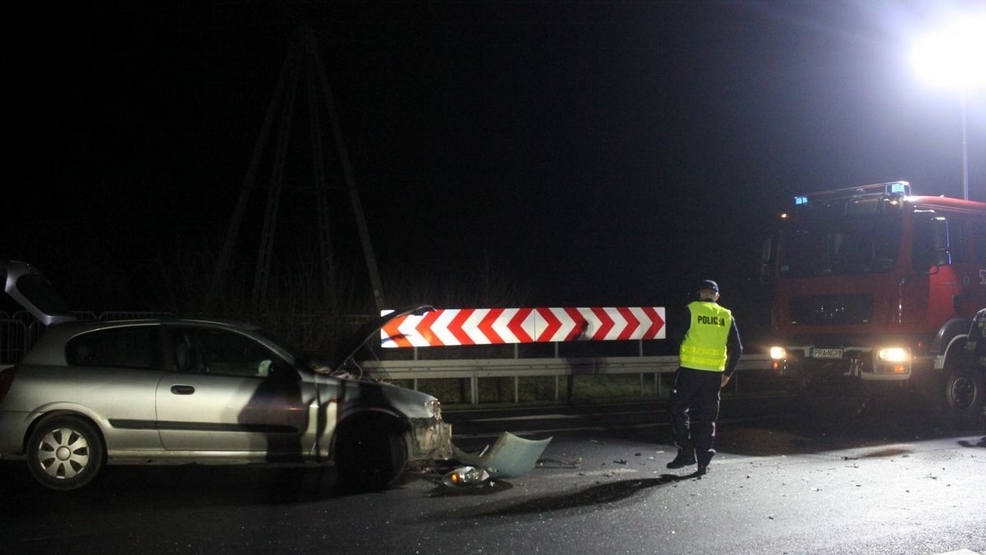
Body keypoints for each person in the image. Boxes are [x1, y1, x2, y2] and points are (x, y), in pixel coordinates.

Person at [666, 279, 743, 475]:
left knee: (678, 408)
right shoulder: (726, 315)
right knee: (708, 418)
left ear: (701, 294)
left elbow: (676, 336)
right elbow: (739, 348)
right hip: (714, 375)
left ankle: (686, 451)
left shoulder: (691, 310)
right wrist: (727, 373)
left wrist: (681, 354)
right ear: (717, 296)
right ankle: (703, 462)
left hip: (690, 371)